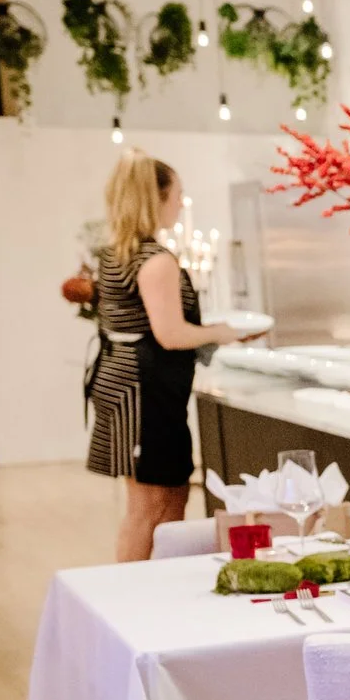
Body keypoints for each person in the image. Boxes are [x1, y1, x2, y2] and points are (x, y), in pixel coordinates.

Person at [85, 151, 263, 561]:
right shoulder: (156, 260)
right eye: (177, 194)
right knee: (151, 505)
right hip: (144, 393)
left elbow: (149, 323)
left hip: (124, 383)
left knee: (165, 496)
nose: (181, 203)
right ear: (155, 198)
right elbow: (170, 334)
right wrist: (224, 332)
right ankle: (136, 590)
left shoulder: (116, 253)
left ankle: (158, 583)